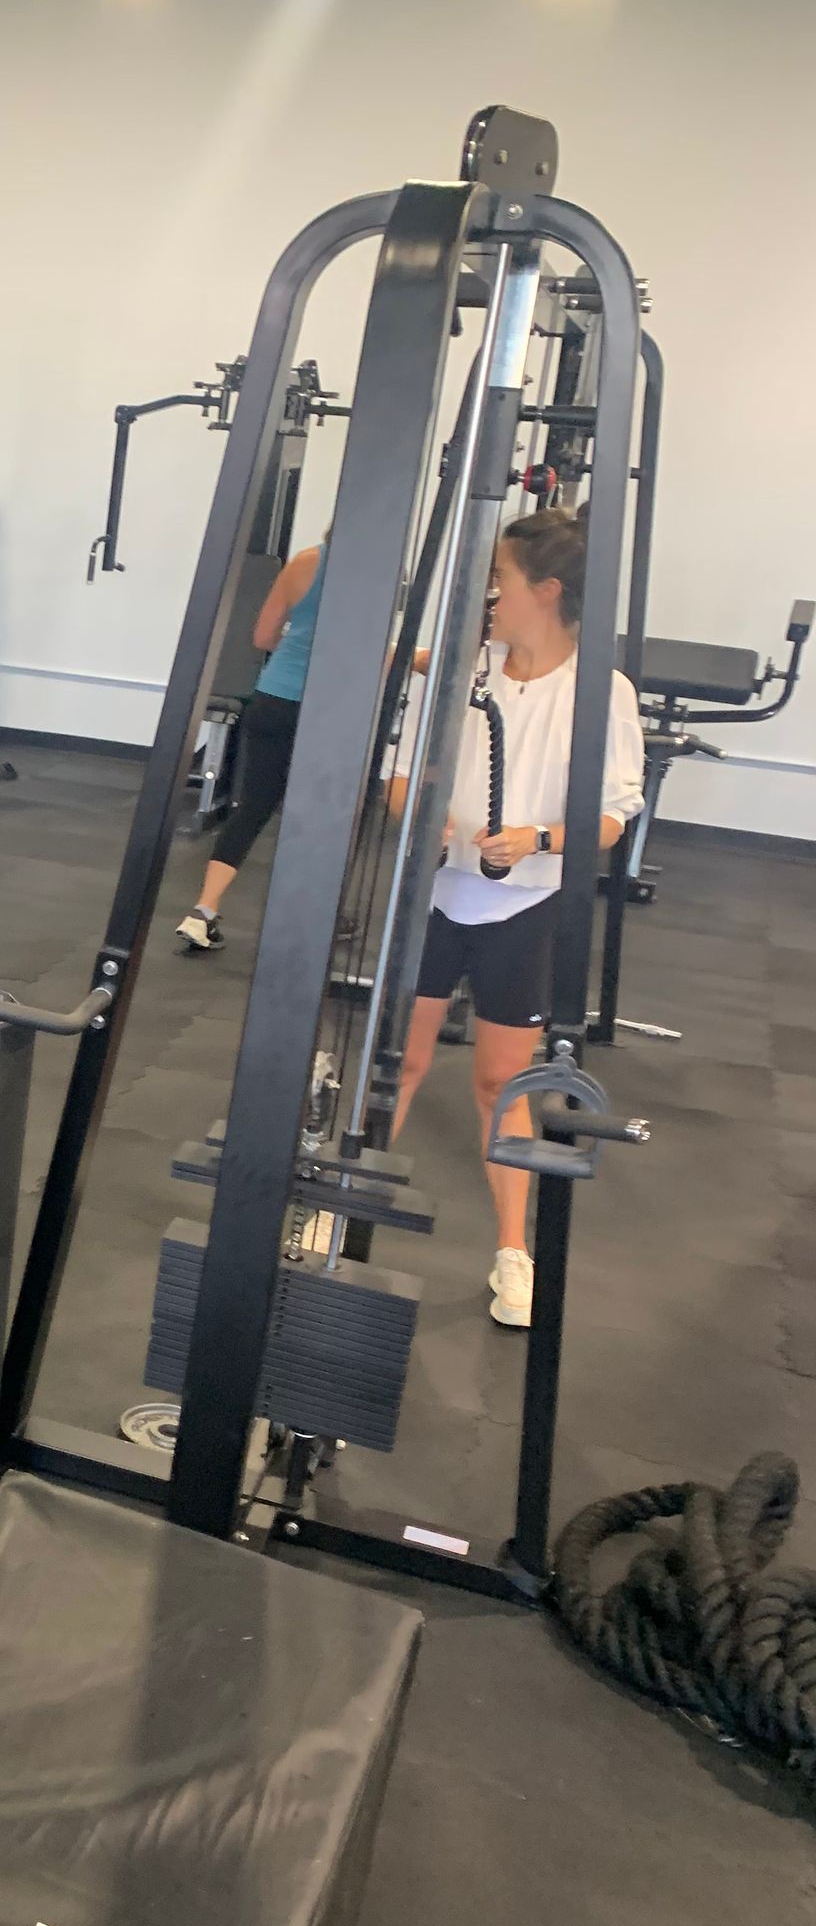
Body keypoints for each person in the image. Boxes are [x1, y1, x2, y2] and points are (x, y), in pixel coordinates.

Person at [391, 510, 644, 1329]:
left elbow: (610, 818)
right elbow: (401, 777)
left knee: (502, 1084)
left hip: (524, 907)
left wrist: (539, 838)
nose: (486, 595)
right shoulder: (465, 671)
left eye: (498, 580)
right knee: (398, 1063)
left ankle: (512, 1251)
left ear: (546, 592)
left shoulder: (601, 690)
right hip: (436, 898)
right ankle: (338, 1205)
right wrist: (421, 821)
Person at [175, 536, 325, 953]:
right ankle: (307, 919)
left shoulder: (304, 562)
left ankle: (203, 910)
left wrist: (298, 652)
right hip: (328, 709)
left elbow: (262, 636)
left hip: (273, 697)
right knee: (325, 815)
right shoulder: (376, 573)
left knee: (253, 807)